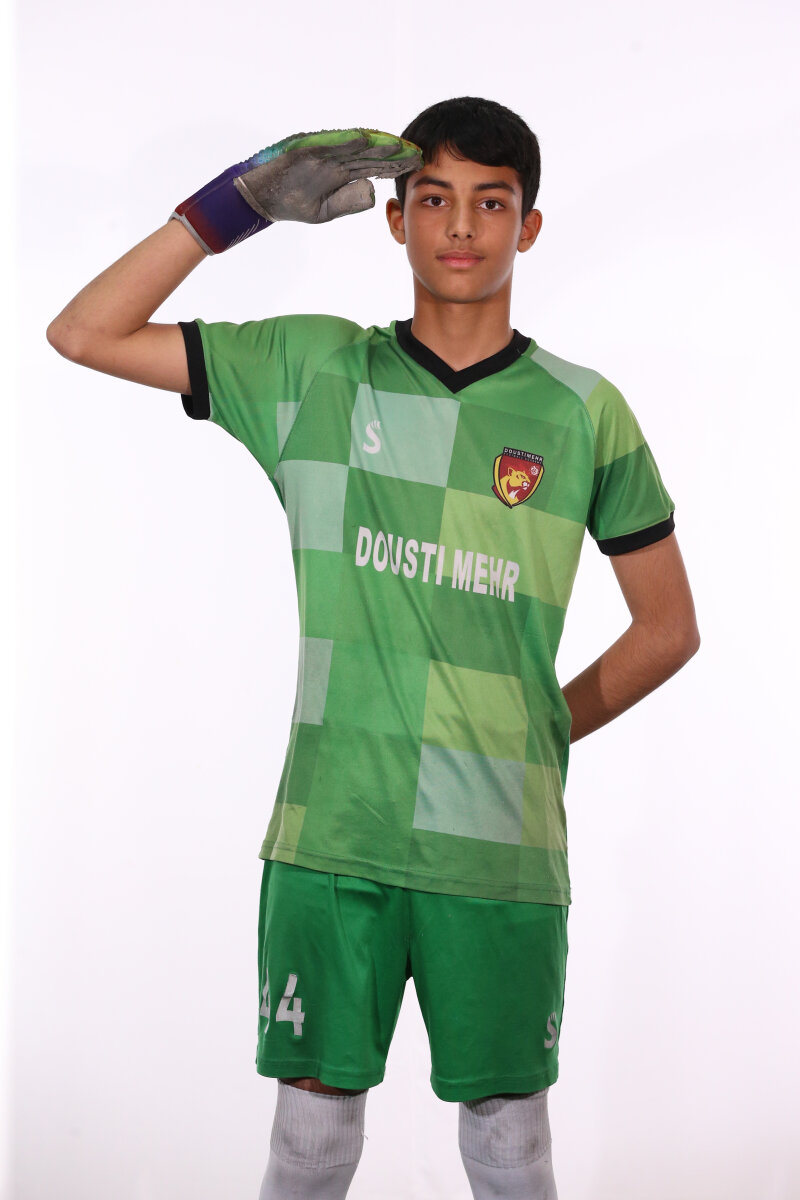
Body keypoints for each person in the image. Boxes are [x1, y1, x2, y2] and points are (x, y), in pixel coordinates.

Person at [47, 97, 700, 1200]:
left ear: (529, 225)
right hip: (332, 831)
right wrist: (231, 209)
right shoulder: (313, 370)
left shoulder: (586, 412)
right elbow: (83, 333)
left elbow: (667, 627)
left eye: (490, 202)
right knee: (309, 1147)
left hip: (497, 849)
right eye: (433, 199)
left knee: (510, 1149)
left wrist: (542, 725)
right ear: (394, 220)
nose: (461, 226)